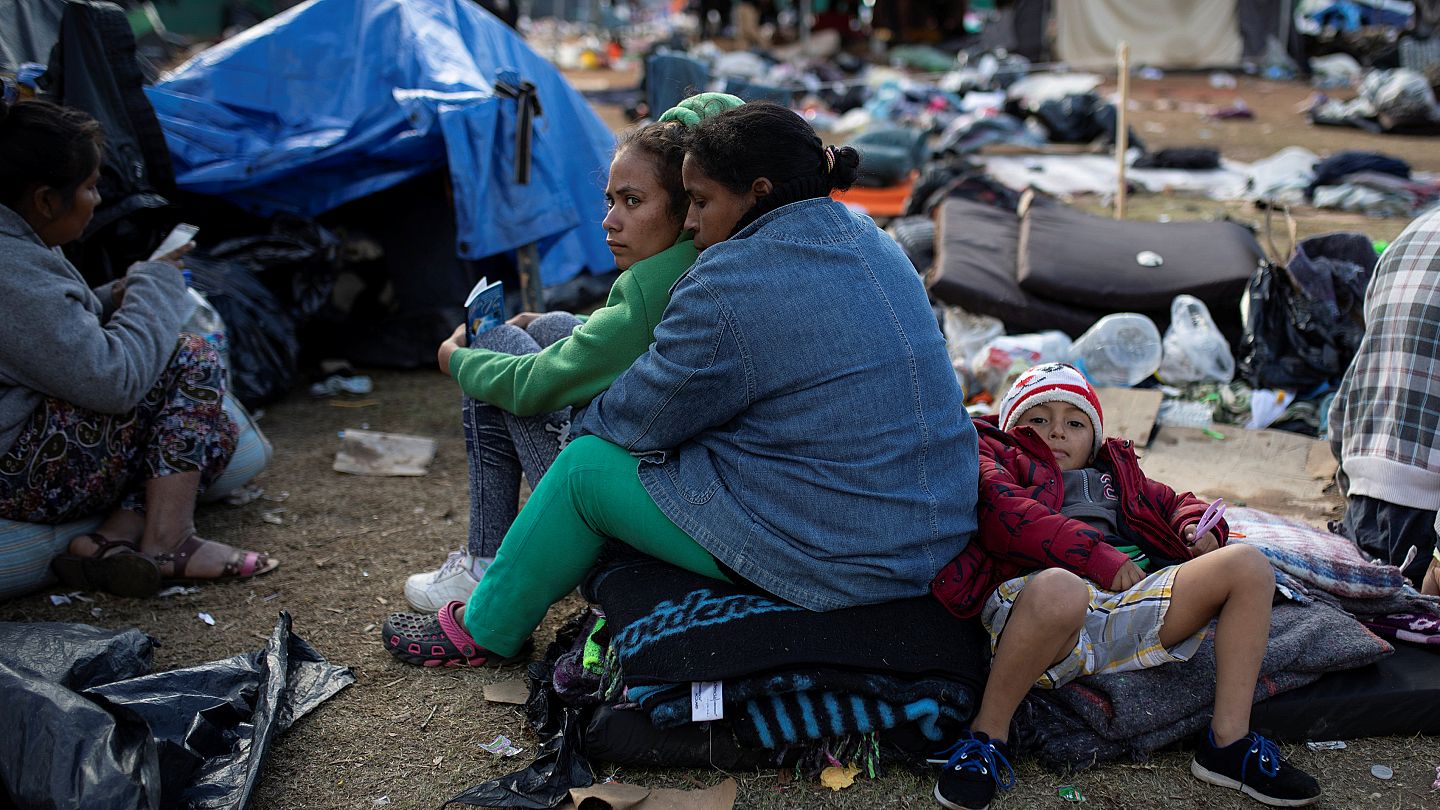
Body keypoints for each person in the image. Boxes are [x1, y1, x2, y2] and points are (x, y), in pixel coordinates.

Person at [381, 100, 978, 667]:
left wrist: (563, 407)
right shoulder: (873, 240)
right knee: (569, 352)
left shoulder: (726, 281)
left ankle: (485, 629)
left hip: (838, 554)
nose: (691, 222)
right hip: (933, 529)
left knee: (585, 468)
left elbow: (631, 424)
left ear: (757, 193)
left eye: (699, 201)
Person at [402, 93, 742, 613]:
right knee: (558, 325)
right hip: (685, 486)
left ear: (686, 206)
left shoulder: (656, 286)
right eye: (609, 200)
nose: (609, 220)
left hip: (631, 510)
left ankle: (483, 561)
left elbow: (535, 384)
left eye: (632, 201)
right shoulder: (701, 264)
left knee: (497, 346)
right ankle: (486, 558)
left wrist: (456, 359)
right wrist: (556, 325)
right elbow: (607, 342)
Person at [930, 363, 1320, 810]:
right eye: (1039, 419)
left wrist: (1196, 529)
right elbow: (1006, 517)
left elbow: (1175, 502)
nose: (1057, 432)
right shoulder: (992, 455)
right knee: (1063, 588)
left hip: (1126, 607)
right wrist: (1098, 556)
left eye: (1074, 423)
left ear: (1093, 438)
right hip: (1039, 612)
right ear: (1012, 424)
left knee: (1249, 565)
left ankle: (1228, 745)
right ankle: (986, 737)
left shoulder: (1115, 475)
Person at [0, 97, 276, 597]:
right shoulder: (9, 267)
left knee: (200, 423)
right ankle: (169, 540)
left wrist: (115, 295)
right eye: (88, 187)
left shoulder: (20, 246)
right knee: (190, 358)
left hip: (25, 450)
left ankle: (111, 539)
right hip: (16, 473)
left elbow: (50, 330)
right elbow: (114, 381)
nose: (98, 199)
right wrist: (153, 286)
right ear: (44, 200)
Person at [1328, 207, 1440, 597]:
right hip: (1428, 525)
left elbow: (1356, 383)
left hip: (1367, 506)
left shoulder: (1417, 231)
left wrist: (1353, 486)